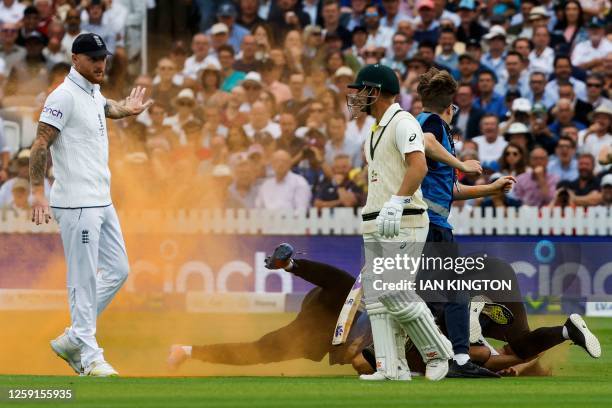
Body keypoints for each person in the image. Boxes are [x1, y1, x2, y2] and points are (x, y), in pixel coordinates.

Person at [30, 33, 153, 377]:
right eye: (94, 58)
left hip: (101, 199)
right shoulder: (63, 96)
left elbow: (103, 107)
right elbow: (40, 142)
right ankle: (88, 355)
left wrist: (125, 110)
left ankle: (73, 337)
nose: (101, 64)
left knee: (118, 270)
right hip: (76, 203)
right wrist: (37, 193)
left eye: (104, 57)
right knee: (83, 279)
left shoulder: (92, 90)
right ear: (75, 59)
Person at [346, 63, 453, 382]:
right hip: (375, 219)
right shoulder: (375, 129)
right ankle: (390, 367)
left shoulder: (403, 121)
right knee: (378, 300)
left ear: (376, 92)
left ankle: (438, 352)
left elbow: (418, 167)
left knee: (394, 292)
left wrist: (398, 201)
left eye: (362, 90)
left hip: (403, 219)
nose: (357, 96)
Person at [415, 67, 514, 378]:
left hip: (429, 222)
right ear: (450, 106)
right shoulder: (432, 124)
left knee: (434, 293)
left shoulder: (419, 122)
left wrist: (490, 188)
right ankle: (457, 360)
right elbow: (428, 140)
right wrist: (462, 163)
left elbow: (450, 189)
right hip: (431, 225)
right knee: (451, 293)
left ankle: (443, 357)